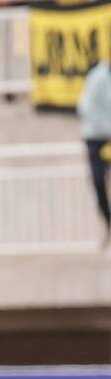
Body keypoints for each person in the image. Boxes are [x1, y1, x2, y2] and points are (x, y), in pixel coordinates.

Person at [78, 58, 111, 248]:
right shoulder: (97, 77)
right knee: (98, 181)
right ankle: (108, 221)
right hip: (97, 137)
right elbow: (86, 107)